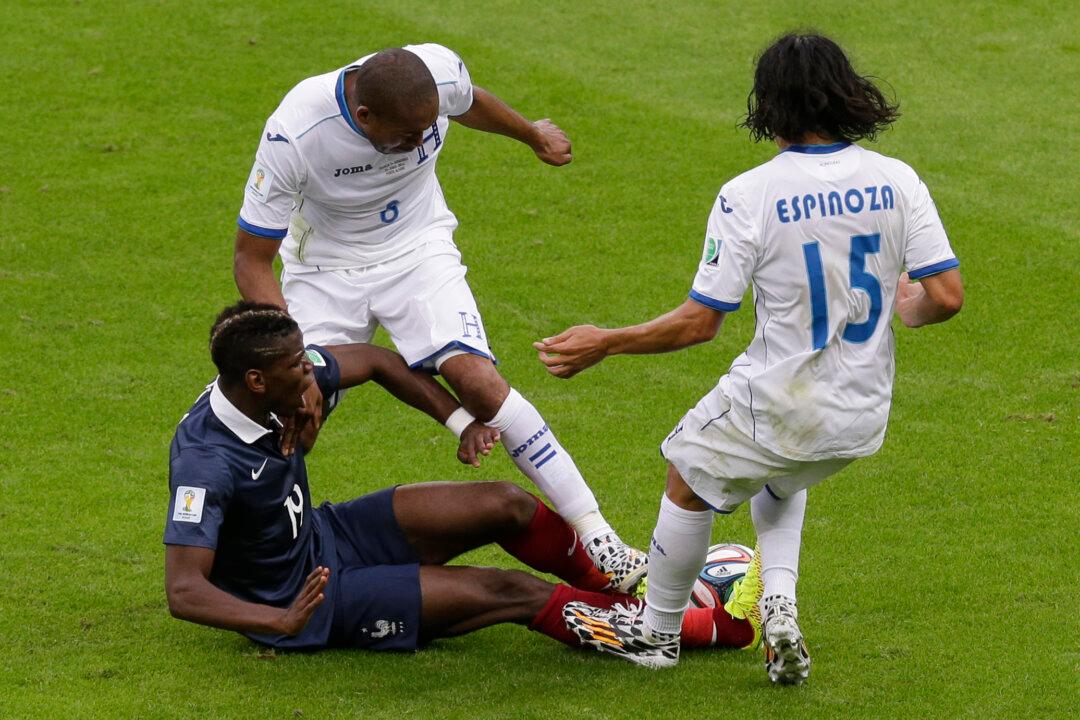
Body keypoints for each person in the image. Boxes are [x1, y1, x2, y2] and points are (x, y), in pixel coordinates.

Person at [534, 33, 964, 682]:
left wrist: (606, 340)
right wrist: (910, 310)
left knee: (687, 470)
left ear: (769, 104)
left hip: (779, 399)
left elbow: (700, 323)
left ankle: (656, 634)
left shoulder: (751, 194)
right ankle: (779, 606)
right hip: (860, 416)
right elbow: (946, 296)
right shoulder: (897, 180)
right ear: (848, 89)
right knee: (780, 474)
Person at [231, 43, 644, 590]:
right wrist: (293, 357)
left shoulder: (437, 73)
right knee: (293, 419)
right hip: (325, 272)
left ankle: (600, 537)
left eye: (431, 128)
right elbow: (251, 258)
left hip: (418, 250)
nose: (423, 141)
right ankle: (251, 560)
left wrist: (531, 133)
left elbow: (469, 103)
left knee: (478, 382)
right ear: (364, 117)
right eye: (407, 135)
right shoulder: (296, 132)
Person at [163, 302, 759, 655]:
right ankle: (692, 630)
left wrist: (458, 421)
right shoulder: (205, 463)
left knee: (507, 504)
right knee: (509, 591)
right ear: (256, 380)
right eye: (298, 367)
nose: (312, 372)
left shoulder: (278, 390)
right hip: (305, 600)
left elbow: (377, 361)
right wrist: (278, 620)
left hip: (327, 536)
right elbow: (184, 589)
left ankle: (624, 593)